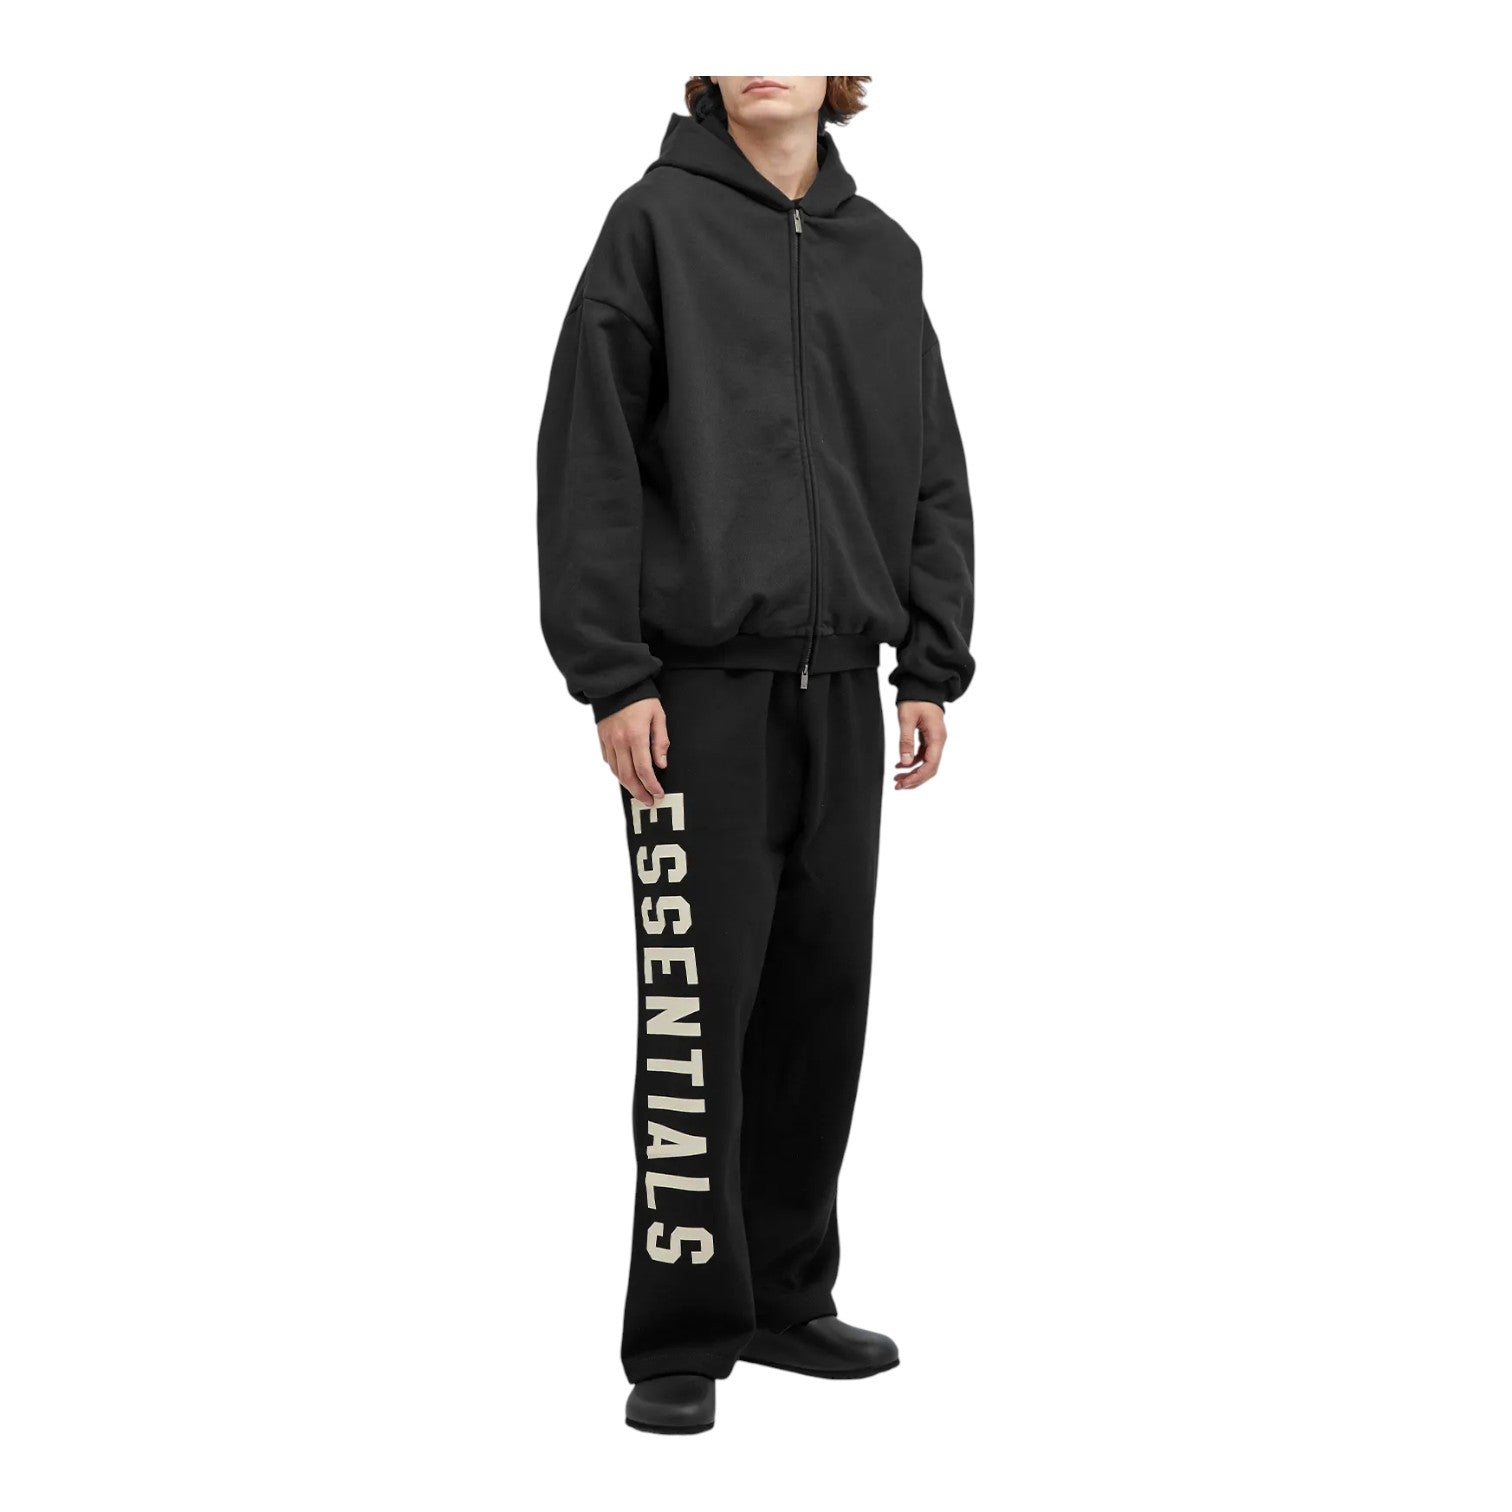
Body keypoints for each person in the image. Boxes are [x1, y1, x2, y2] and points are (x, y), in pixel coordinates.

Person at [536, 75, 976, 1434]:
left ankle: (785, 1296)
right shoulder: (653, 227)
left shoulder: (883, 254)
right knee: (696, 1012)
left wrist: (930, 659)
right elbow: (591, 455)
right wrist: (613, 673)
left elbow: (931, 464)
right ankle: (681, 1332)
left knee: (817, 1006)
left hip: (843, 688)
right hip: (695, 696)